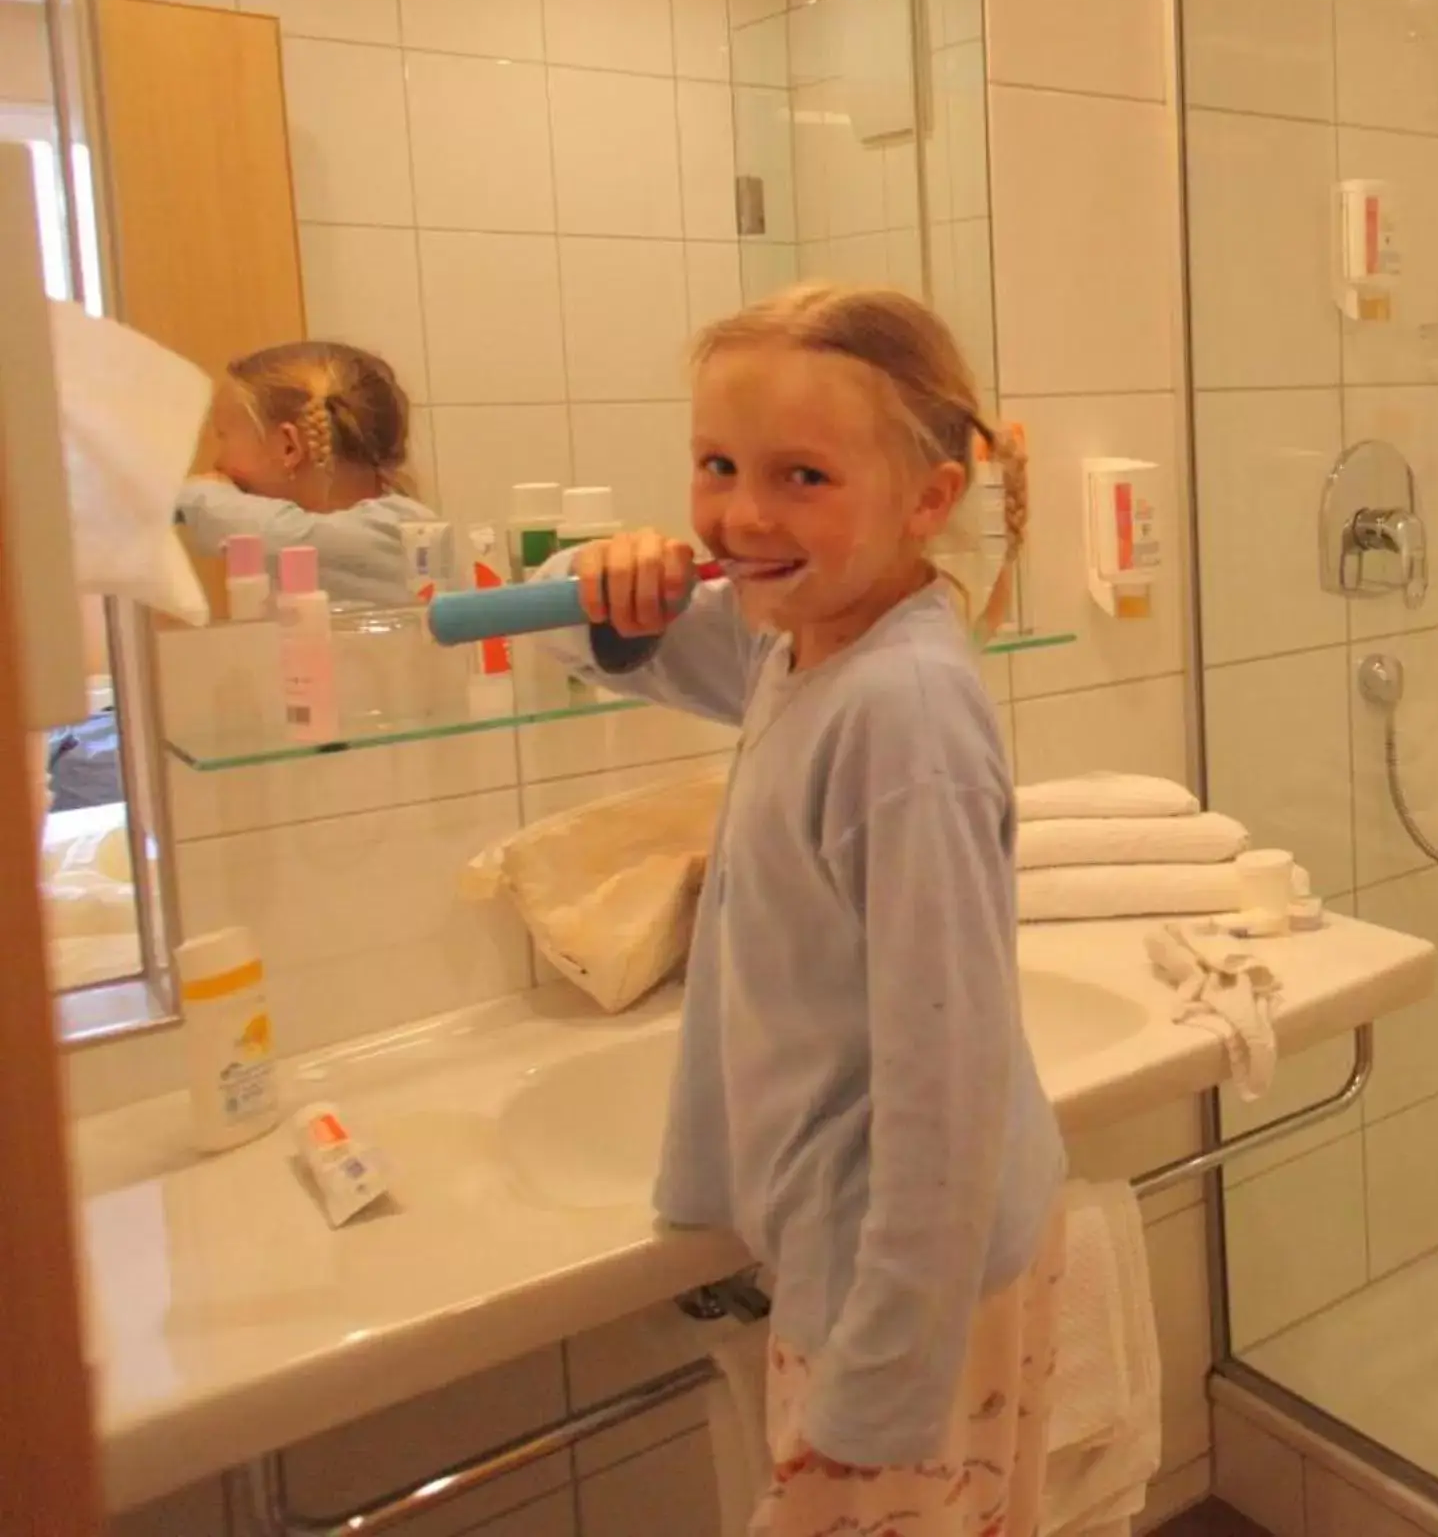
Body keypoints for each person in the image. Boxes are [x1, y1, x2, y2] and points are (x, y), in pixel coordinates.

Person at [550, 283, 1061, 1536]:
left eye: (803, 477)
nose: (742, 514)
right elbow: (590, 636)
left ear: (929, 500)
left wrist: (884, 1377)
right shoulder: (805, 640)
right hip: (863, 1261)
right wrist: (605, 570)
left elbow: (947, 1079)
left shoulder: (905, 714)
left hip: (902, 1301)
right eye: (717, 464)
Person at [176, 339, 434, 604]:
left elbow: (278, 534)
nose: (218, 462)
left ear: (289, 447)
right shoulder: (310, 556)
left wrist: (187, 497)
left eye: (223, 437)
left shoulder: (404, 531)